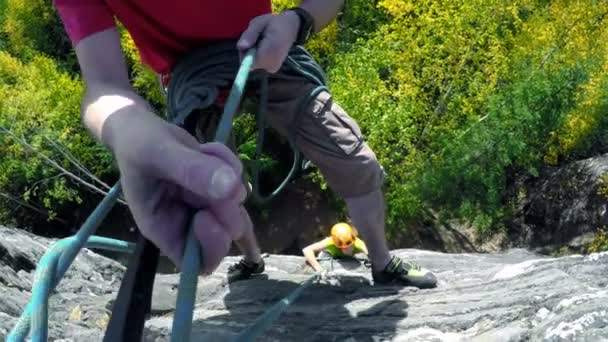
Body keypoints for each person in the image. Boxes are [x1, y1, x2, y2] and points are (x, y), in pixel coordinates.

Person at [51, 0, 437, 289]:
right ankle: (252, 260)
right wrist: (129, 132)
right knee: (221, 188)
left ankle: (383, 264)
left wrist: (294, 21)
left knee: (354, 159)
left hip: (270, 46)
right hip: (191, 73)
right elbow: (103, 84)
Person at [302, 222, 369, 273]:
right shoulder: (330, 241)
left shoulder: (359, 243)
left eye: (349, 245)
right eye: (343, 247)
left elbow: (372, 255)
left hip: (349, 257)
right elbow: (307, 250)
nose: (346, 248)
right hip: (328, 255)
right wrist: (318, 268)